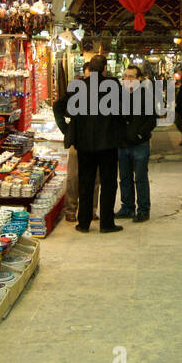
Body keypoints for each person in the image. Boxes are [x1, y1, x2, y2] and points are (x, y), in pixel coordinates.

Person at [54, 54, 123, 233]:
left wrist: (67, 130)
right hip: (108, 144)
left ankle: (83, 223)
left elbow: (57, 107)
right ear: (105, 69)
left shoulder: (78, 87)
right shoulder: (113, 86)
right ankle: (107, 223)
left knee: (85, 183)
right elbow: (124, 110)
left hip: (84, 144)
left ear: (89, 69)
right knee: (108, 183)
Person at [117, 64, 157, 223]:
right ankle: (127, 207)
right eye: (125, 76)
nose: (128, 79)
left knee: (140, 177)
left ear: (139, 79)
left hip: (140, 145)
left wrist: (140, 134)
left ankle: (143, 209)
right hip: (122, 145)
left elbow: (152, 120)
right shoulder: (118, 96)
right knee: (124, 178)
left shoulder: (145, 96)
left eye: (131, 77)